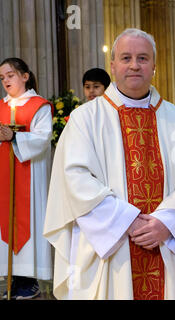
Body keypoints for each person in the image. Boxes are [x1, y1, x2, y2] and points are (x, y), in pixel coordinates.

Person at [43, 28, 175, 300]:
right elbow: (75, 179)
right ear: (113, 65)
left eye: (143, 58)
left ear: (154, 65)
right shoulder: (85, 118)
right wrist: (127, 221)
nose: (134, 65)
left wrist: (166, 222)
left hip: (164, 241)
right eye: (126, 58)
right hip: (110, 247)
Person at [0, 58, 53, 299]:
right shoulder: (0, 106)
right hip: (3, 176)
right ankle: (8, 277)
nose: (6, 81)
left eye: (10, 75)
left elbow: (42, 141)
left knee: (27, 221)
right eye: (2, 78)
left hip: (29, 178)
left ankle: (27, 280)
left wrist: (14, 138)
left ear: (25, 76)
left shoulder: (40, 106)